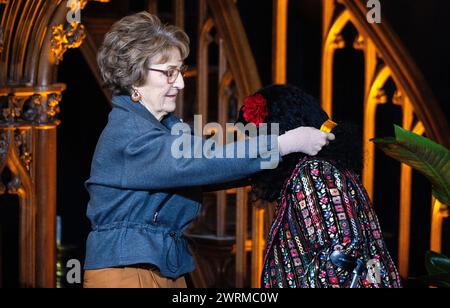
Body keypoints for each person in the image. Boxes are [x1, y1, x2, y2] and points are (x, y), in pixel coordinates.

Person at [83, 12, 335, 288]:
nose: (180, 83)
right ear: (134, 76)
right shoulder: (129, 133)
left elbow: (214, 164)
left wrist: (284, 156)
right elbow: (202, 161)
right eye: (169, 72)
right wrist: (285, 144)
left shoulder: (163, 126)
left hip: (161, 267)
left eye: (180, 71)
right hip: (126, 271)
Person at [236, 84, 402, 288]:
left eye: (259, 139)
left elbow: (341, 254)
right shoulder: (324, 168)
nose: (259, 151)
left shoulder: (314, 171)